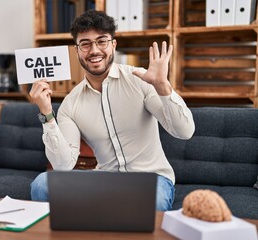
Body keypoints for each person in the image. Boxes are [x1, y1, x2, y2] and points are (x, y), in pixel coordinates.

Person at [29, 10, 195, 211]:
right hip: (105, 180)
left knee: (154, 202)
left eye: (101, 41)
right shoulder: (71, 103)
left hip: (151, 179)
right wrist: (47, 114)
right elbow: (63, 165)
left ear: (113, 45)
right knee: (41, 184)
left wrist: (162, 86)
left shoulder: (141, 79)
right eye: (85, 44)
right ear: (77, 50)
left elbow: (185, 132)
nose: (94, 50)